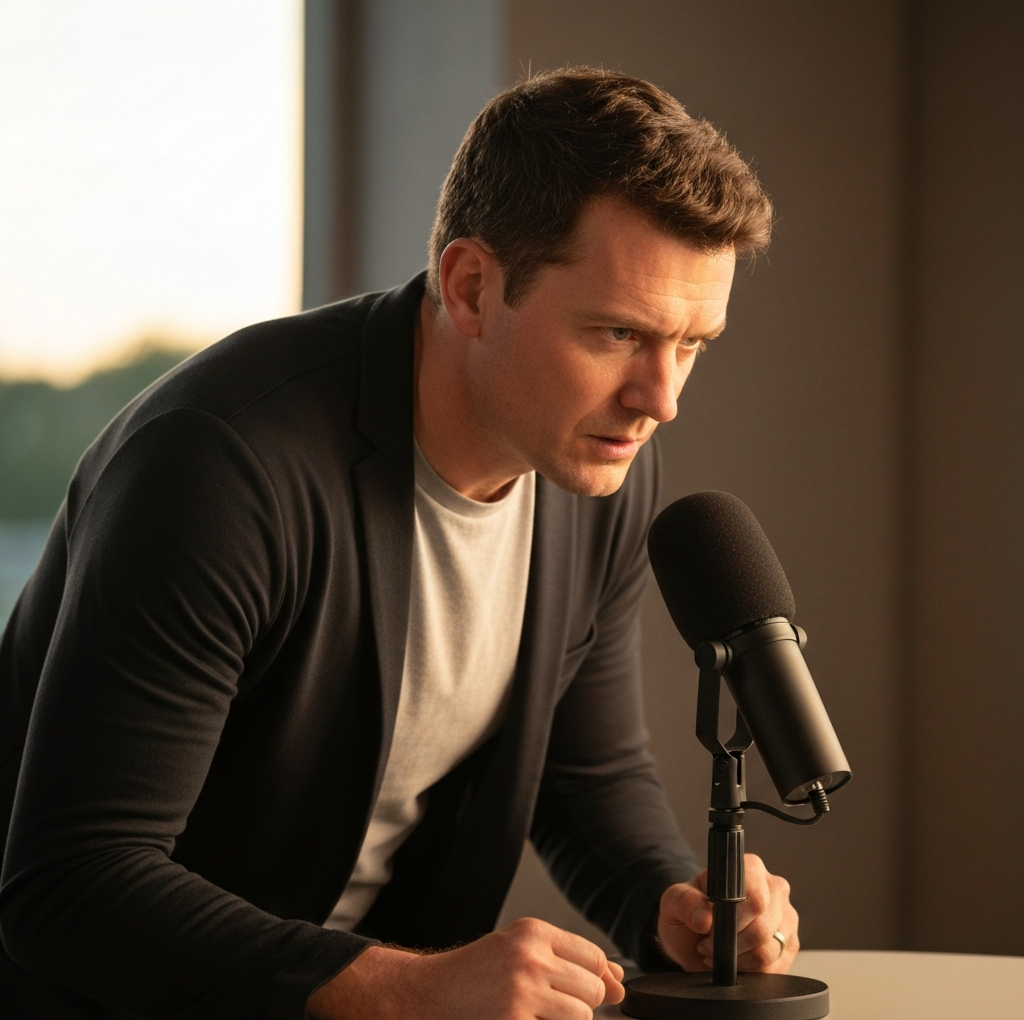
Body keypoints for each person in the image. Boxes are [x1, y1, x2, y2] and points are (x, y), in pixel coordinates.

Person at [0, 68, 797, 1020]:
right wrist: (406, 985)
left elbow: (585, 775)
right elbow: (72, 882)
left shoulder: (595, 465)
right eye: (619, 332)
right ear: (470, 287)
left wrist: (675, 904)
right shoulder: (223, 468)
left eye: (692, 342)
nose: (659, 399)